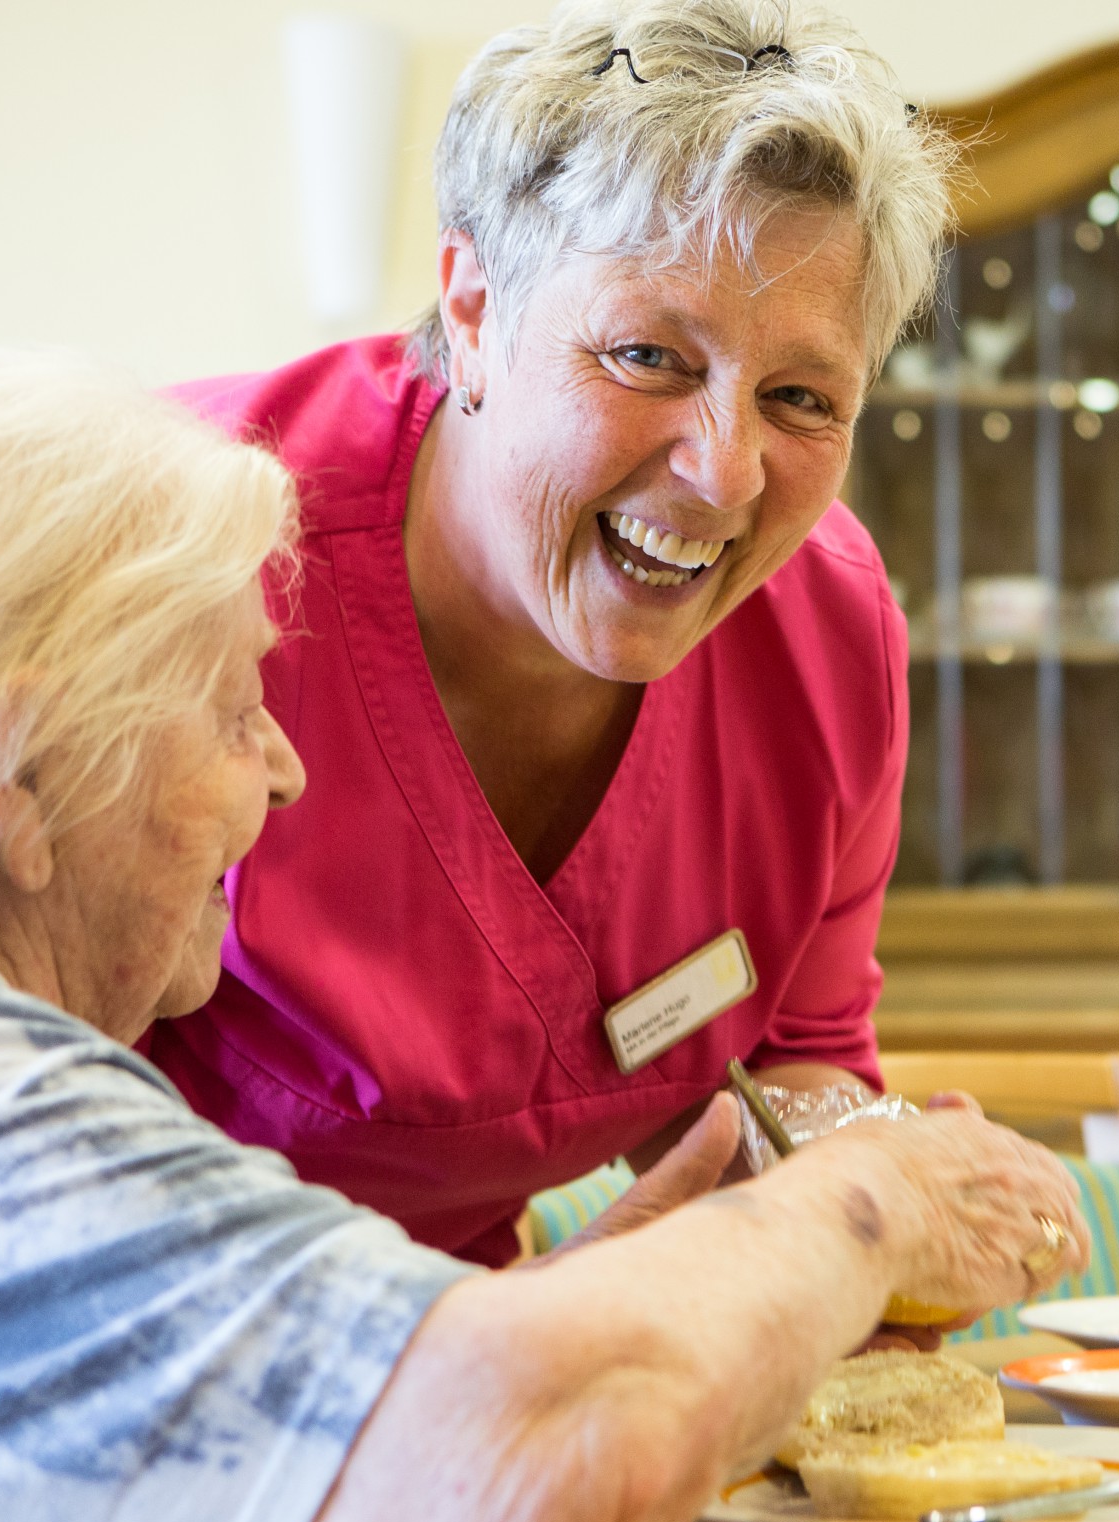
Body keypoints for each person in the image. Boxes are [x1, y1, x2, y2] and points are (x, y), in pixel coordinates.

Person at [0, 332, 1086, 1522]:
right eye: (232, 709)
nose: (282, 771)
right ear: (22, 774)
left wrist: (514, 1342)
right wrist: (867, 1200)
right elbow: (501, 1481)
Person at [146, 0, 961, 1264]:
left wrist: (874, 1183)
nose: (725, 473)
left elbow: (792, 1064)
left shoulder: (827, 631)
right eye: (648, 356)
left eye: (801, 397)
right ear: (472, 309)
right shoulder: (166, 549)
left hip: (500, 1364)